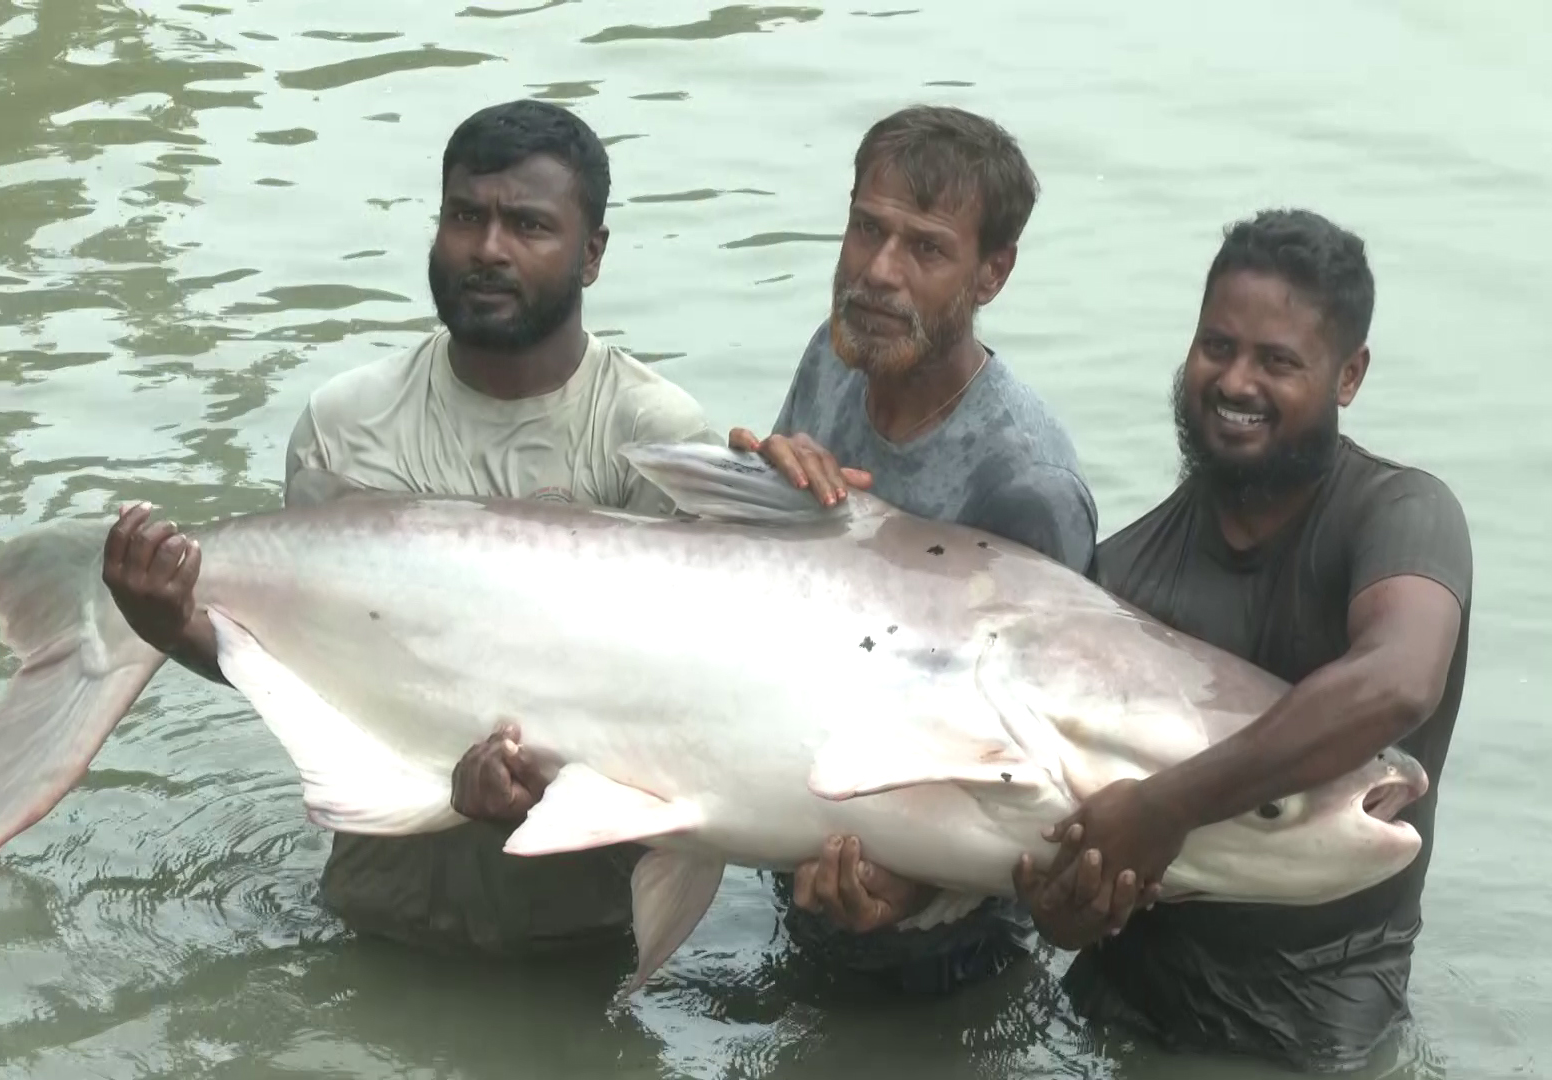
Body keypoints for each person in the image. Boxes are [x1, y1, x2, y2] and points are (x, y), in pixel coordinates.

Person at [97, 98, 719, 958]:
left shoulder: (657, 438)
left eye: (528, 224)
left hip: (580, 931)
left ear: (593, 253)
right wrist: (170, 627)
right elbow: (303, 672)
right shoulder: (348, 424)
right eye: (467, 216)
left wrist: (542, 781)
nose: (489, 249)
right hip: (376, 911)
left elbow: (690, 711)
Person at [1011, 208, 1473, 1072]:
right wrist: (1064, 905)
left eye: (1278, 361)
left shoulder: (1402, 516)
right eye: (1216, 347)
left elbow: (1398, 682)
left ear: (1350, 374)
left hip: (1319, 1010)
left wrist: (1167, 807)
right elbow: (1067, 847)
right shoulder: (1122, 570)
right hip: (1121, 994)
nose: (1236, 381)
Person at [728, 104, 1100, 995]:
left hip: (953, 942)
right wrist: (769, 500)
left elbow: (1036, 764)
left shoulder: (1026, 485)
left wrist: (907, 886)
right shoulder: (841, 351)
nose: (878, 273)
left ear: (992, 273)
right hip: (811, 842)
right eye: (866, 229)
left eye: (926, 249)